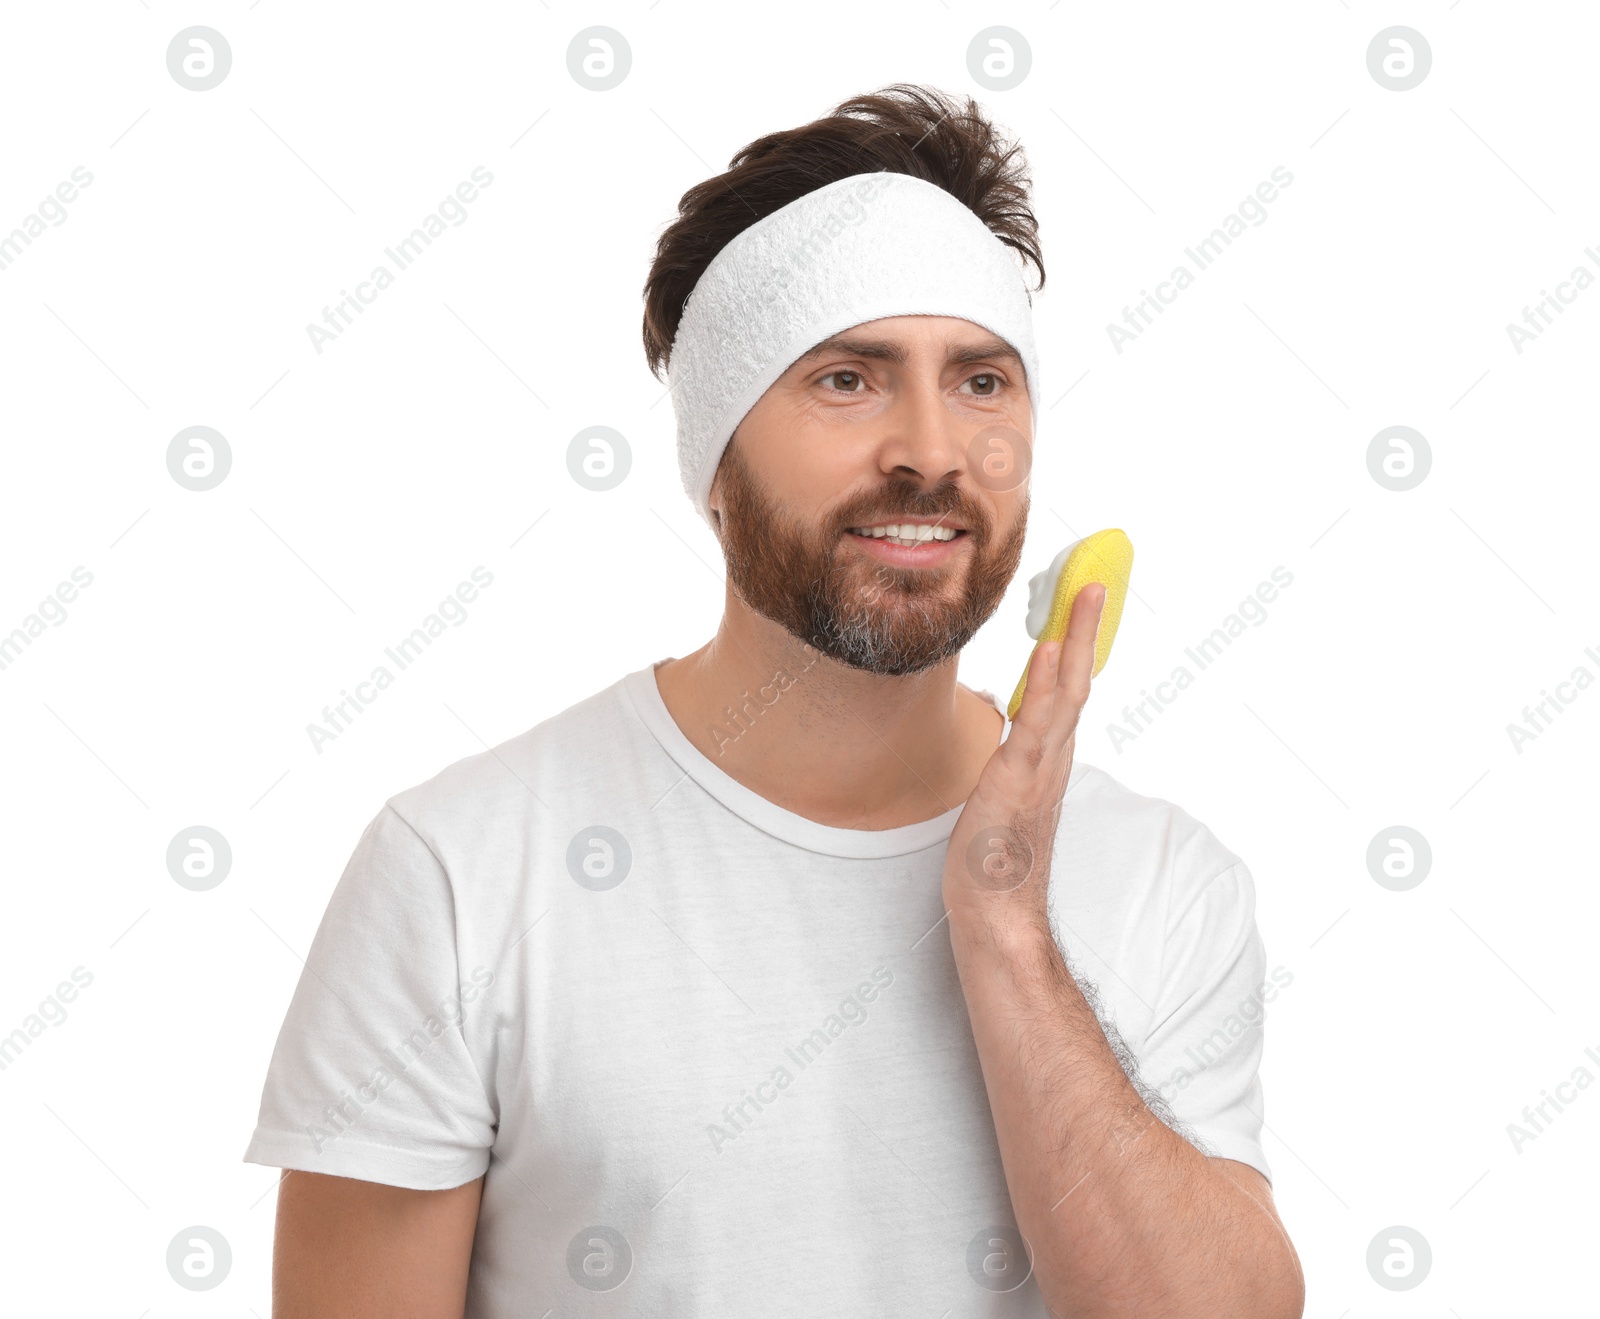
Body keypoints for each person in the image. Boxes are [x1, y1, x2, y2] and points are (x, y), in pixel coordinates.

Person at [245, 83, 1305, 1317]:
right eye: (848, 379)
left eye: (978, 379)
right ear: (715, 459)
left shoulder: (1164, 880)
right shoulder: (462, 872)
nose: (931, 449)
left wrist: (1006, 916)